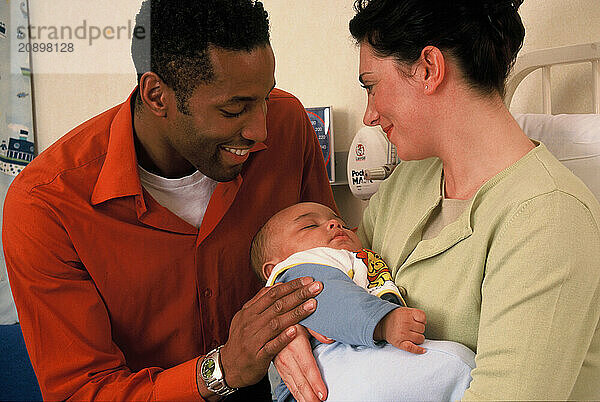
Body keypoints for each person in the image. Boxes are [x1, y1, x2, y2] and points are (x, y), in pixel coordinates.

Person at [2, 0, 337, 400]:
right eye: (234, 109)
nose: (261, 129)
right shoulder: (46, 206)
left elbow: (337, 264)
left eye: (264, 97)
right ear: (157, 95)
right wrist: (222, 369)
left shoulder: (289, 125)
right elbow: (82, 393)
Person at [274, 1, 600, 400]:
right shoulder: (407, 183)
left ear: (429, 68)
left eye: (372, 86)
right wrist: (290, 329)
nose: (369, 116)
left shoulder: (549, 217)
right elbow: (333, 272)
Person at [252, 202, 475, 401]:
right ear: (274, 267)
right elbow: (330, 299)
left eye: (342, 223)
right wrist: (384, 322)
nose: (334, 224)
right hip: (328, 365)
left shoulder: (357, 260)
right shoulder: (298, 268)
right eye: (309, 226)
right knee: (459, 365)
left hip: (357, 359)